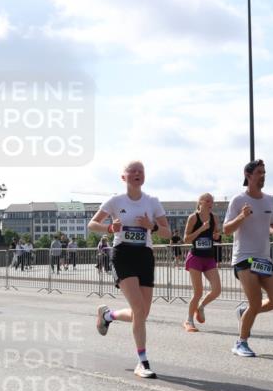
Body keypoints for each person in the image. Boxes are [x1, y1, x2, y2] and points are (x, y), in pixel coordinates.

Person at [89, 161, 170, 379]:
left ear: (144, 177)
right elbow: (92, 224)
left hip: (144, 256)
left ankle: (107, 315)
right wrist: (108, 227)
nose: (137, 174)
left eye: (140, 171)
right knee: (138, 309)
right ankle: (142, 362)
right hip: (123, 254)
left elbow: (167, 233)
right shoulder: (116, 200)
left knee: (142, 313)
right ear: (123, 177)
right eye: (132, 171)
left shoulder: (152, 202)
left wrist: (151, 226)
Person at [224, 160, 273, 357]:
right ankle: (240, 343)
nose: (263, 176)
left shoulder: (269, 200)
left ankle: (245, 314)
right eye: (259, 172)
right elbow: (226, 230)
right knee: (256, 301)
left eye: (264, 172)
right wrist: (241, 217)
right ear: (248, 175)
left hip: (264, 257)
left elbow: (270, 223)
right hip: (244, 258)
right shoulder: (237, 200)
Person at [182, 193, 223, 332]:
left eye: (212, 201)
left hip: (209, 258)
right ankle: (188, 321)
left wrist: (217, 235)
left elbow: (217, 234)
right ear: (200, 203)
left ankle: (200, 307)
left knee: (217, 290)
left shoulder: (215, 217)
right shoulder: (193, 217)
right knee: (197, 292)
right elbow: (186, 239)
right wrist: (201, 229)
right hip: (195, 258)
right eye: (207, 201)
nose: (210, 203)